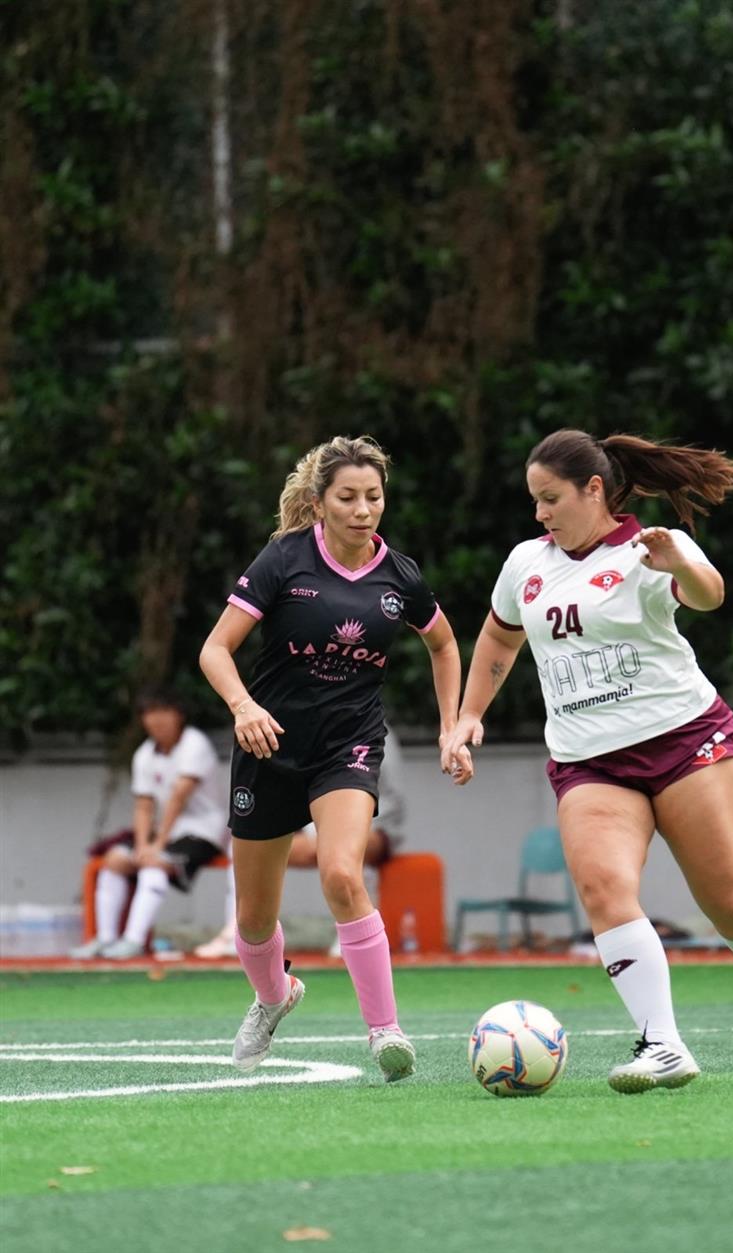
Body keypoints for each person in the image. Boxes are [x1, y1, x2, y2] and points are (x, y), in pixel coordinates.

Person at [442, 429, 733, 1094]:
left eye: (551, 498)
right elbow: (501, 635)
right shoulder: (525, 563)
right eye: (534, 500)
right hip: (589, 761)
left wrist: (681, 561)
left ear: (594, 490)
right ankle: (662, 1042)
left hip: (685, 742)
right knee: (604, 890)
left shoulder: (651, 550)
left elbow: (709, 594)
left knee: (730, 902)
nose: (540, 513)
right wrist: (468, 713)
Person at [199, 435, 469, 1082]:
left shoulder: (399, 577)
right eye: (347, 497)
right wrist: (243, 707)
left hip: (348, 744)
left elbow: (444, 644)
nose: (362, 509)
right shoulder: (283, 559)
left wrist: (451, 724)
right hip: (268, 746)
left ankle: (386, 1031)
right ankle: (273, 996)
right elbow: (215, 650)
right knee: (254, 917)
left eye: (373, 497)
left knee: (343, 874)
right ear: (320, 503)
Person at [193, 725, 408, 959]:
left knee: (342, 853)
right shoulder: (310, 721)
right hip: (315, 824)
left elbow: (389, 797)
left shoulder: (372, 726)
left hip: (377, 826)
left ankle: (355, 933)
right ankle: (238, 929)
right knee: (246, 849)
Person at [70, 688, 228, 960]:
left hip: (203, 831)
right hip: (164, 832)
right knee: (115, 860)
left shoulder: (194, 744)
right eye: (149, 713)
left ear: (179, 715)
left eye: (163, 712)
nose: (156, 720)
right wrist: (143, 844)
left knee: (153, 863)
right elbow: (144, 806)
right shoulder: (144, 753)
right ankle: (105, 939)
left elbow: (179, 797)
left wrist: (156, 846)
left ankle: (133, 940)